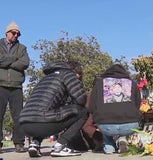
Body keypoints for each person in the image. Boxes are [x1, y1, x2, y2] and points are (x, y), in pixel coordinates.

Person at [19, 61, 88, 157]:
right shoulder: (68, 74)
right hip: (42, 122)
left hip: (24, 123)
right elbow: (81, 100)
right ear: (76, 72)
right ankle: (60, 146)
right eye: (79, 76)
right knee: (82, 112)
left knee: (45, 113)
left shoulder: (46, 78)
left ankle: (35, 143)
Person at [89, 64, 142, 154]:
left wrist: (96, 116)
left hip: (106, 126)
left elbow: (92, 105)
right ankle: (122, 138)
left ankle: (109, 147)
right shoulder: (132, 82)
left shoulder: (100, 83)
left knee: (105, 119)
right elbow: (138, 103)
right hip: (130, 125)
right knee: (124, 124)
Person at [0, 22, 30, 153]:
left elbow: (25, 63)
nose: (16, 35)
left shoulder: (22, 48)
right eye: (13, 32)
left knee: (19, 116)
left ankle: (19, 143)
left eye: (18, 33)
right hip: (0, 85)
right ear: (7, 33)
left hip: (16, 86)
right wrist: (14, 59)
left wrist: (6, 61)